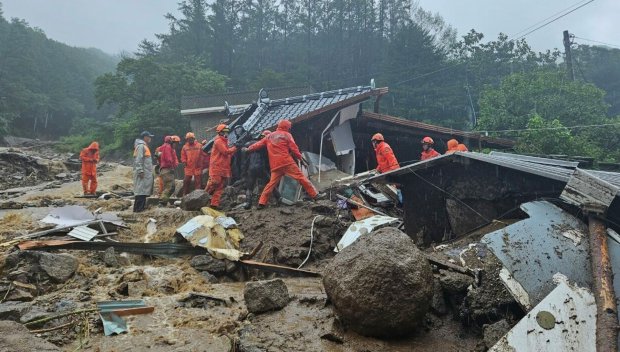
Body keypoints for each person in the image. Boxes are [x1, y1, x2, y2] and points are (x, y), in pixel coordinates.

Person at [244, 120, 324, 209]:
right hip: (287, 162)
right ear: (288, 127)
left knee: (271, 184)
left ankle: (261, 203)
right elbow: (294, 148)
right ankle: (315, 195)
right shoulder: (287, 135)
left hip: (275, 165)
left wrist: (248, 149)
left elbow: (257, 144)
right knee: (301, 178)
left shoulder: (269, 136)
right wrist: (300, 158)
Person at [243, 130, 281, 209]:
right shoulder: (267, 145)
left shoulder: (253, 144)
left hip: (251, 168)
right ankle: (279, 198)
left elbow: (246, 145)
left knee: (250, 187)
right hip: (261, 168)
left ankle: (247, 203)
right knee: (271, 184)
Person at [205, 124, 237, 209]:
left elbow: (228, 154)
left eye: (227, 132)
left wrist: (233, 149)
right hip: (217, 167)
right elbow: (225, 152)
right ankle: (202, 198)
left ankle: (214, 204)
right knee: (214, 183)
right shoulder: (218, 141)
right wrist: (235, 148)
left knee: (220, 187)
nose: (226, 133)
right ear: (220, 132)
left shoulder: (226, 141)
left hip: (224, 167)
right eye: (224, 132)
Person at [133, 131, 155, 212]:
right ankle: (138, 210)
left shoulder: (143, 146)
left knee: (143, 191)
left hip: (145, 173)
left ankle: (139, 209)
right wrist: (140, 171)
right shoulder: (141, 146)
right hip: (142, 173)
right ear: (145, 137)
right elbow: (138, 160)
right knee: (140, 191)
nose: (150, 138)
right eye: (149, 137)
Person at [158, 135, 178, 203]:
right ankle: (162, 202)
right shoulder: (168, 147)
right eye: (176, 143)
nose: (176, 145)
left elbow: (158, 157)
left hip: (163, 169)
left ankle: (163, 201)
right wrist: (171, 166)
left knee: (167, 186)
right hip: (167, 169)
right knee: (170, 187)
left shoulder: (161, 147)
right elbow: (168, 158)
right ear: (171, 142)